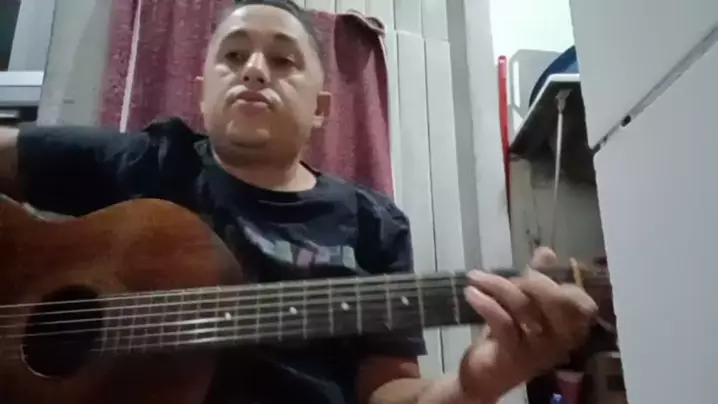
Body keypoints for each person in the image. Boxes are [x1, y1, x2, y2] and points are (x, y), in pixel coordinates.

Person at [0, 1, 597, 403]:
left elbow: (391, 393)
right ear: (201, 93)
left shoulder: (372, 223)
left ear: (321, 109)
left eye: (283, 60)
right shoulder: (152, 160)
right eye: (233, 56)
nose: (255, 71)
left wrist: (477, 383)